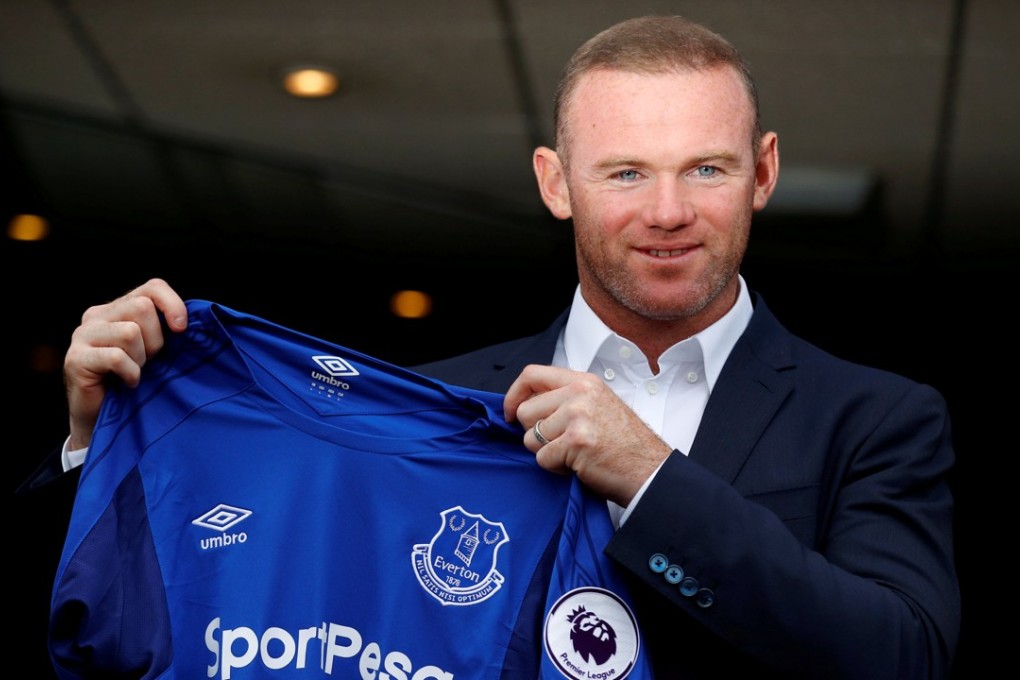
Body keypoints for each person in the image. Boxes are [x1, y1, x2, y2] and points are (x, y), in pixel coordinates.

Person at [26, 15, 960, 679]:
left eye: (706, 169)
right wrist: (97, 444)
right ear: (556, 184)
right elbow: (180, 604)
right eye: (625, 171)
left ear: (762, 172)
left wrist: (648, 477)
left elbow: (902, 657)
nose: (668, 212)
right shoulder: (424, 406)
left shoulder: (878, 419)